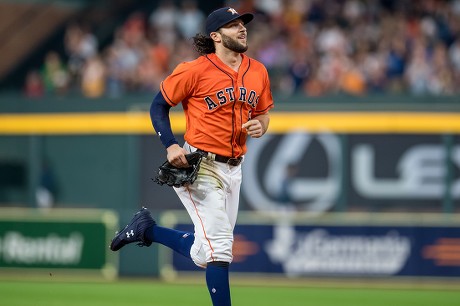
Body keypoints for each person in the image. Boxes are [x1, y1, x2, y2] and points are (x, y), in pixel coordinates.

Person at [110, 7, 274, 306]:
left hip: (234, 168)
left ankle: (146, 229)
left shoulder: (258, 71)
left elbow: (263, 114)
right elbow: (158, 106)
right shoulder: (194, 70)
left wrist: (261, 125)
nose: (242, 29)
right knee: (221, 248)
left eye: (243, 24)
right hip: (199, 164)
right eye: (233, 25)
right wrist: (171, 144)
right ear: (216, 36)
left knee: (205, 253)